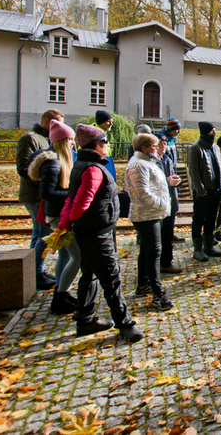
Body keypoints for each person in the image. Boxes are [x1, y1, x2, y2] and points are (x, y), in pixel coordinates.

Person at [58, 124, 143, 343]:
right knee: (111, 277)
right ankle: (124, 323)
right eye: (105, 142)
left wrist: (67, 224)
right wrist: (72, 220)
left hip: (88, 230)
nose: (108, 146)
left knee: (89, 274)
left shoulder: (81, 164)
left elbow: (71, 199)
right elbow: (80, 202)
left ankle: (85, 319)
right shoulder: (94, 169)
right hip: (97, 232)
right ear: (96, 145)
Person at [28, 119, 80, 315]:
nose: (74, 143)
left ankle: (62, 291)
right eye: (71, 140)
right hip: (58, 215)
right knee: (77, 256)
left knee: (66, 255)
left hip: (59, 213)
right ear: (62, 141)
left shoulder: (59, 161)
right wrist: (73, 194)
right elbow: (47, 193)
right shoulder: (53, 163)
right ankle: (60, 298)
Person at [125, 132, 174, 311]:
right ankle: (158, 294)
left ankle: (143, 284)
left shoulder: (146, 162)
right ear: (144, 148)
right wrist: (163, 204)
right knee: (154, 252)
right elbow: (142, 193)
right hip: (147, 214)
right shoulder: (138, 165)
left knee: (146, 251)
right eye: (154, 146)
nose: (157, 148)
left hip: (152, 213)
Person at [16, 108, 64, 290]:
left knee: (38, 233)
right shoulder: (30, 138)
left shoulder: (46, 138)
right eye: (57, 122)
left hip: (41, 194)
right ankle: (35, 273)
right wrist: (47, 180)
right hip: (35, 195)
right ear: (47, 122)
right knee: (43, 234)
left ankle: (35, 271)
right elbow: (23, 167)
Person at [187, 121, 221, 262]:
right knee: (198, 219)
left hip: (216, 190)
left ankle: (208, 246)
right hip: (203, 192)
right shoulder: (195, 148)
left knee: (212, 218)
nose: (214, 133)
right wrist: (201, 190)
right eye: (211, 131)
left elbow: (220, 167)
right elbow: (193, 171)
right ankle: (197, 249)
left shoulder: (215, 148)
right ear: (205, 132)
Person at [154, 133, 183, 274]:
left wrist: (175, 180)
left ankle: (166, 262)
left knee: (167, 235)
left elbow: (171, 174)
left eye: (165, 144)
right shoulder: (152, 161)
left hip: (170, 200)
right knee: (159, 237)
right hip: (159, 203)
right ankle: (160, 263)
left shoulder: (167, 159)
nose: (163, 146)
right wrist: (167, 181)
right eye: (160, 144)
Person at [154, 119, 185, 244]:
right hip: (162, 179)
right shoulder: (162, 138)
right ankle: (163, 235)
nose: (178, 131)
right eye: (175, 129)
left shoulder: (172, 141)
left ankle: (170, 233)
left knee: (174, 207)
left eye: (179, 129)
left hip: (171, 173)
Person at [95, 110, 117, 181]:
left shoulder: (103, 132)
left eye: (112, 121)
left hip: (106, 161)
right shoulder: (95, 133)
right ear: (101, 122)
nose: (111, 124)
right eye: (108, 121)